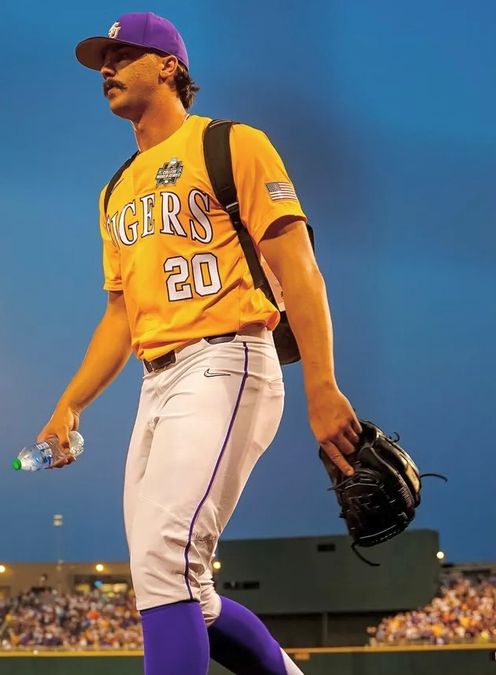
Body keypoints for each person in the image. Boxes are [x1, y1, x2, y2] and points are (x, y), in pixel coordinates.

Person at [41, 11, 362, 675]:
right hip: (155, 385)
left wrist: (323, 384)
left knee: (166, 561)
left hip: (230, 359)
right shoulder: (116, 190)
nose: (106, 67)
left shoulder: (230, 143)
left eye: (122, 54)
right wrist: (70, 404)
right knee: (185, 590)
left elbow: (297, 263)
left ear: (168, 67)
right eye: (102, 57)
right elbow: (120, 316)